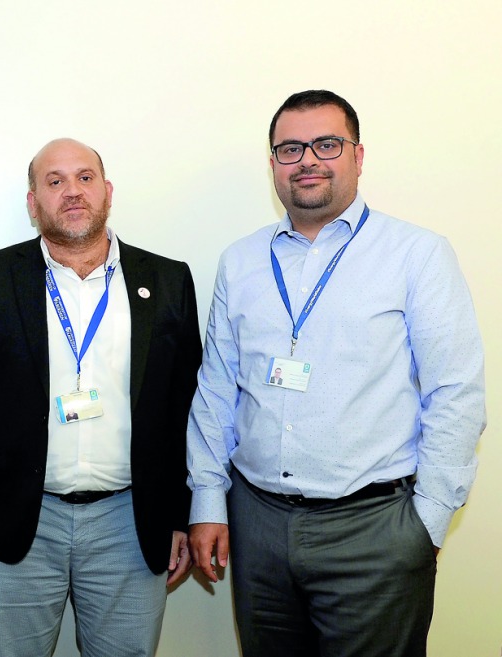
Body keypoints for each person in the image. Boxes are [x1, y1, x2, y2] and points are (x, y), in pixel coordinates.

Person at [187, 90, 486, 657]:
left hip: (375, 530)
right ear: (272, 162)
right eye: (290, 148)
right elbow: (217, 388)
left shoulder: (416, 254)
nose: (307, 160)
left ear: (358, 154)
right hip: (258, 525)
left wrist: (428, 524)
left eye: (326, 143)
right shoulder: (241, 261)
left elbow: (456, 393)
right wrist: (207, 500)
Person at [0, 138, 202, 657]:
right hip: (18, 523)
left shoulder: (167, 279)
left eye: (84, 178)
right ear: (33, 202)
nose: (72, 192)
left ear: (106, 192)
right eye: (54, 181)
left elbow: (185, 409)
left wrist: (182, 515)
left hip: (130, 522)